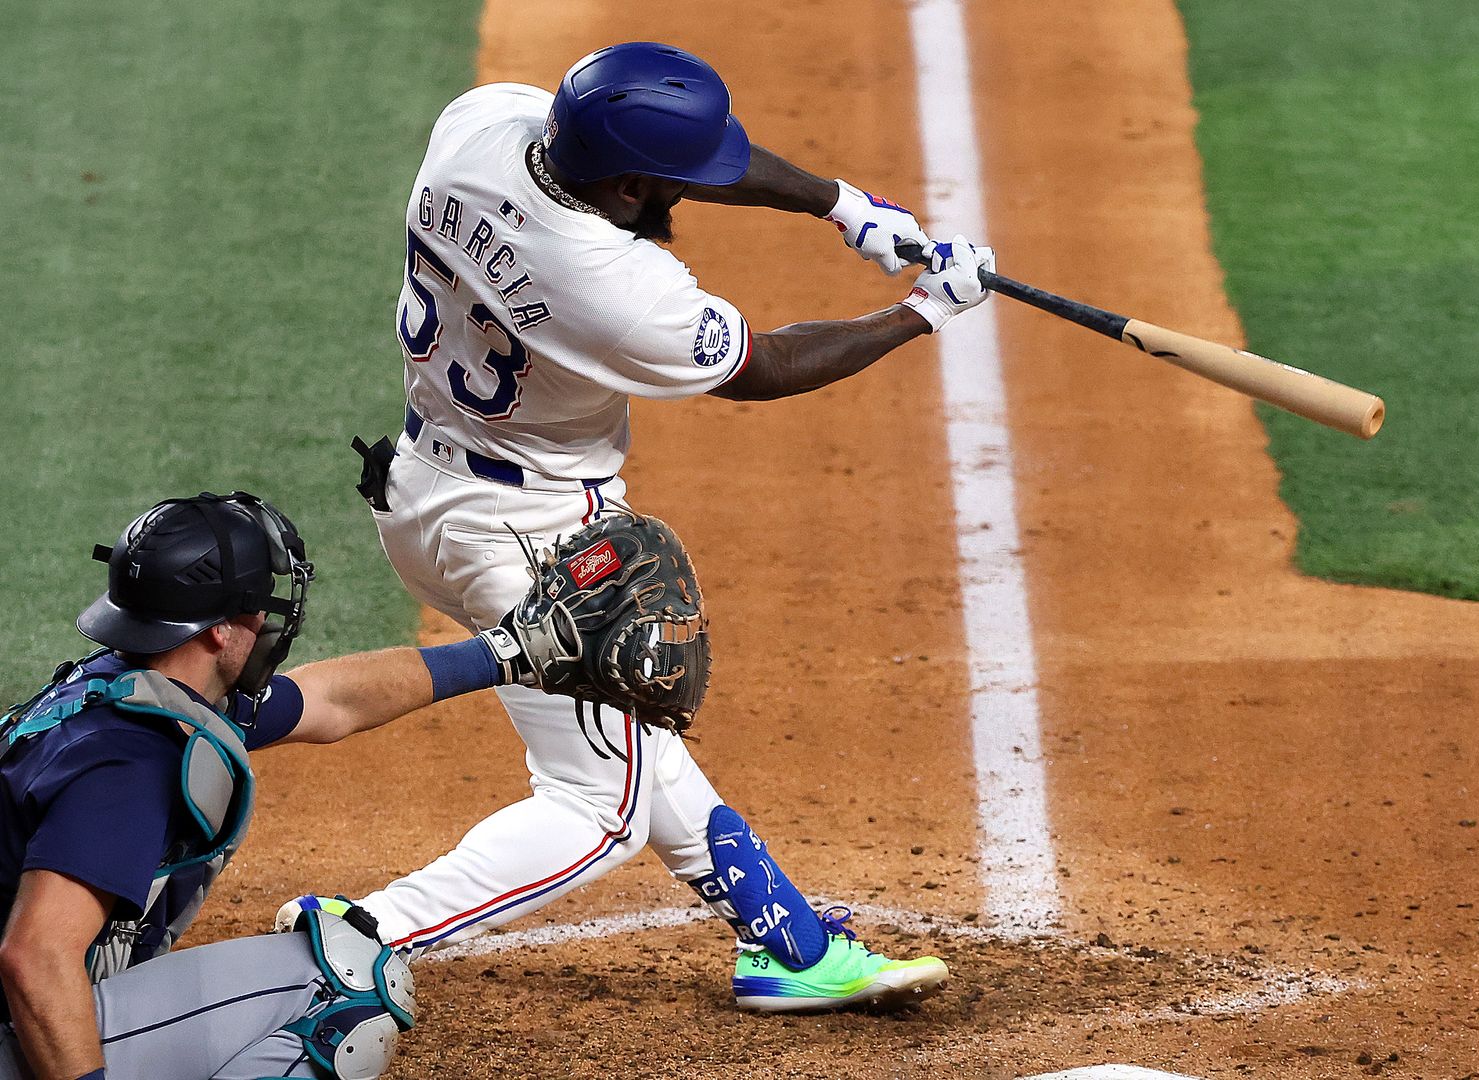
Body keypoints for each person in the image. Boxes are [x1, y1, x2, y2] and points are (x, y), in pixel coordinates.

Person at [345, 40, 992, 1012]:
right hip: (536, 544)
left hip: (420, 493)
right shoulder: (612, 290)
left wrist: (840, 205)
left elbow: (631, 152)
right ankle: (357, 936)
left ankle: (789, 943)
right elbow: (764, 368)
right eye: (673, 185)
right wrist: (923, 312)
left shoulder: (480, 129)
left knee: (630, 730)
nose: (688, 197)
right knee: (597, 809)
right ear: (630, 183)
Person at [0, 492, 538, 1079]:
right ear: (214, 632)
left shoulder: (127, 684)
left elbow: (332, 698)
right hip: (17, 1025)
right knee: (338, 986)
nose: (267, 622)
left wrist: (509, 652)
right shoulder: (129, 763)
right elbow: (34, 957)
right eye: (257, 607)